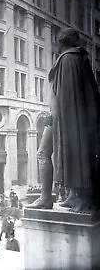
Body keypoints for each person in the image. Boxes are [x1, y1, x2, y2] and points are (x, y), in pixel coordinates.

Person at [27, 28, 100, 212]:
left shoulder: (69, 59)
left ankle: (54, 197)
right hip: (63, 117)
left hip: (62, 118)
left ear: (61, 42)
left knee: (45, 152)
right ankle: (61, 196)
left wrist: (54, 116)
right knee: (49, 153)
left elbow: (66, 95)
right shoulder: (77, 57)